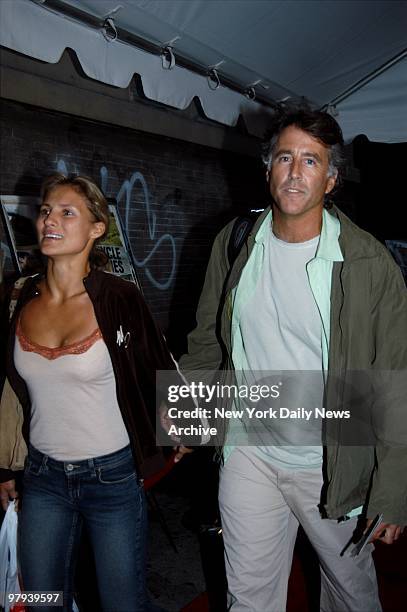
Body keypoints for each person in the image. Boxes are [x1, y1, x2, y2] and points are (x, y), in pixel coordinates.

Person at [179, 107, 407, 611]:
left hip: (332, 462)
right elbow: (206, 342)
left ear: (331, 179)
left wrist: (392, 488)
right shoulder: (236, 242)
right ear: (268, 171)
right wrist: (185, 417)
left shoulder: (370, 263)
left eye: (311, 160)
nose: (296, 171)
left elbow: (395, 381)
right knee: (249, 596)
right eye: (286, 157)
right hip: (249, 452)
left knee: (352, 595)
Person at [0, 173, 196, 612]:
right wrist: (4, 467)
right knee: (41, 600)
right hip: (43, 478)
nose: (51, 220)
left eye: (68, 212)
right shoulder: (17, 297)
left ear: (96, 229)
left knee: (121, 603)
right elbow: (7, 392)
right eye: (46, 210)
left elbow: (158, 365)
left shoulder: (120, 297)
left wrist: (186, 429)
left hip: (113, 478)